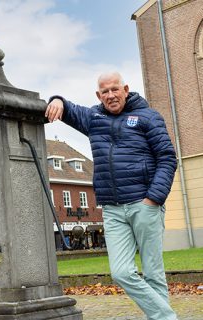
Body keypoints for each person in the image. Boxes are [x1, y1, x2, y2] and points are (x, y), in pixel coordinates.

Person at [45, 72, 178, 320]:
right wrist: (57, 99)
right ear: (99, 95)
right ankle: (168, 317)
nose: (110, 95)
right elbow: (70, 110)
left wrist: (154, 199)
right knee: (121, 273)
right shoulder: (94, 118)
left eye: (115, 89)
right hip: (113, 209)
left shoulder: (148, 117)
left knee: (153, 273)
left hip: (144, 204)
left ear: (126, 89)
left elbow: (168, 158)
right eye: (104, 91)